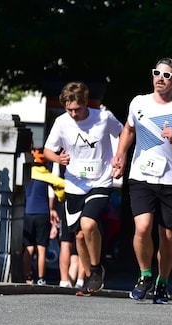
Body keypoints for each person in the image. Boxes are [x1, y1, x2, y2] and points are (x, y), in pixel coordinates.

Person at [111, 58, 172, 304]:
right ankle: (145, 275)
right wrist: (120, 154)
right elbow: (128, 130)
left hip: (171, 180)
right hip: (141, 175)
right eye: (157, 73)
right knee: (142, 227)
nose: (160, 78)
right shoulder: (138, 102)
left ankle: (163, 281)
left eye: (167, 75)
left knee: (167, 235)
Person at [44, 81, 123, 296]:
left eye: (77, 109)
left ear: (86, 103)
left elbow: (123, 134)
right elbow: (48, 150)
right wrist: (58, 158)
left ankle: (97, 269)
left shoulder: (103, 117)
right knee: (78, 236)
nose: (73, 114)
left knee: (88, 224)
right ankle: (90, 278)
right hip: (75, 183)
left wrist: (120, 158)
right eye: (69, 109)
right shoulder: (61, 122)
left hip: (101, 180)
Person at [22, 146, 58, 285]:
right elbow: (58, 187)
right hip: (43, 212)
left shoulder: (26, 174)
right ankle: (41, 279)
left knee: (28, 247)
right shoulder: (46, 175)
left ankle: (27, 277)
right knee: (42, 248)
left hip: (27, 212)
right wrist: (55, 204)